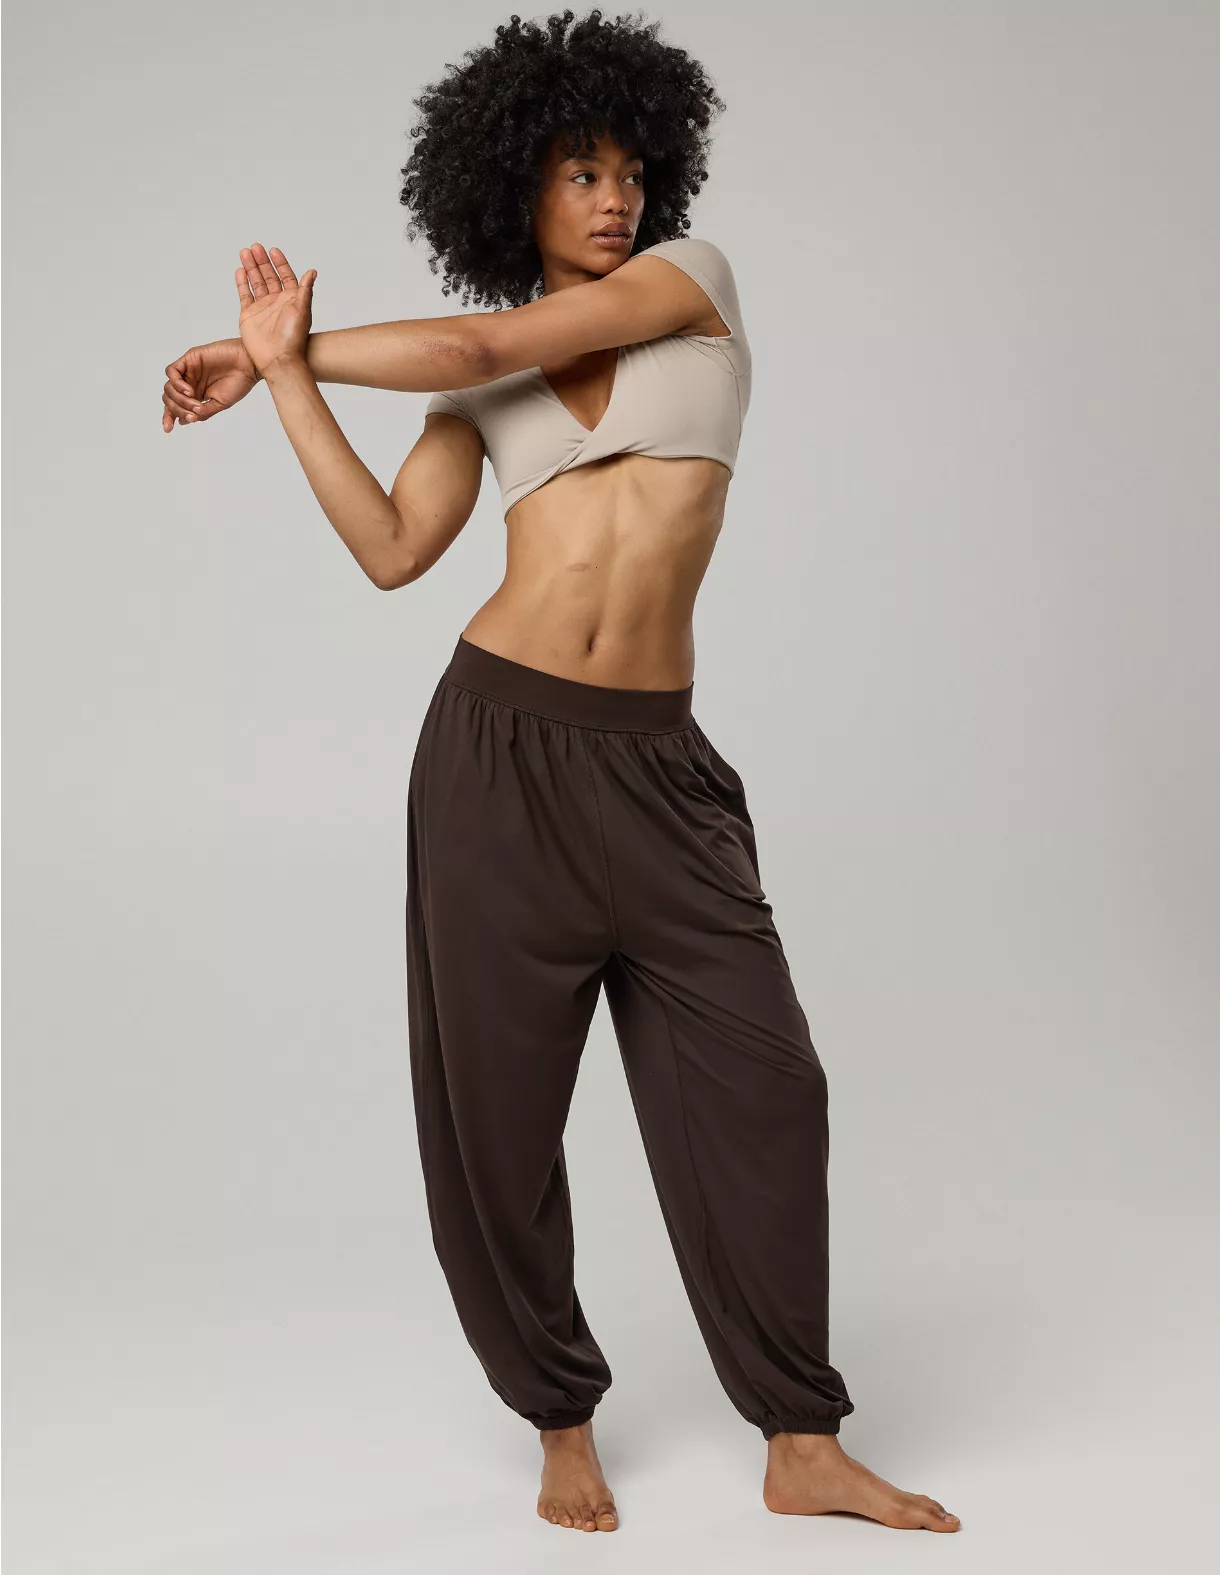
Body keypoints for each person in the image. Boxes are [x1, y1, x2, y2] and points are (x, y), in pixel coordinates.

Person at [160, 8, 959, 1538]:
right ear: (513, 186)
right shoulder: (470, 398)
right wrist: (290, 394)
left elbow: (477, 342)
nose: (615, 198)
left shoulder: (690, 288)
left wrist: (277, 351)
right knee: (498, 1120)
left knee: (770, 1089)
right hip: (495, 756)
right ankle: (559, 1417)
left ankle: (801, 1436)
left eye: (630, 170)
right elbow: (393, 550)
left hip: (658, 773)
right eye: (581, 172)